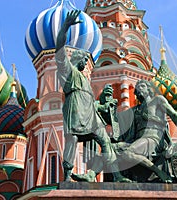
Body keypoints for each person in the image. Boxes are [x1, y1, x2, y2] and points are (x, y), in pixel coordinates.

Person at [72, 79, 177, 183]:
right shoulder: (135, 110)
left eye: (142, 86)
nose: (139, 89)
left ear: (149, 89)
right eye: (137, 88)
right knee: (108, 148)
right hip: (139, 141)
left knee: (128, 153)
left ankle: (159, 172)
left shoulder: (158, 101)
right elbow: (115, 120)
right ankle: (91, 175)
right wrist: (105, 99)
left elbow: (175, 115)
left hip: (154, 140)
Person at [55, 10, 129, 182]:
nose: (86, 63)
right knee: (72, 141)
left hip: (90, 115)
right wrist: (65, 27)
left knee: (105, 141)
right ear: (78, 59)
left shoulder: (84, 79)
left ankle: (115, 175)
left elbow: (89, 102)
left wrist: (103, 107)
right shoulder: (68, 71)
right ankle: (66, 176)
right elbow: (59, 49)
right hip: (75, 112)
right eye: (84, 59)